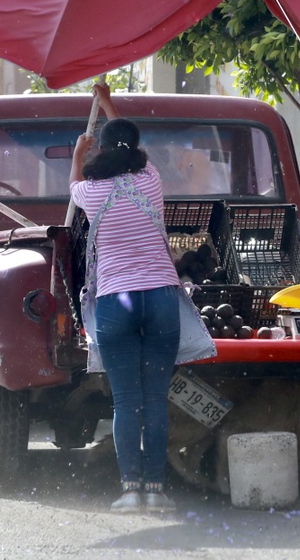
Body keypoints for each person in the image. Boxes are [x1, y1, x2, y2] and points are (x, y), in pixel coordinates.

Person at [69, 84, 186, 514]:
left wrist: (80, 152)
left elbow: (76, 181)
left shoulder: (89, 193)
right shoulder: (150, 181)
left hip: (116, 301)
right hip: (160, 297)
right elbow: (131, 141)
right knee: (156, 399)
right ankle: (156, 489)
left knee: (125, 402)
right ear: (135, 149)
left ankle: (131, 490)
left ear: (101, 151)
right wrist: (110, 105)